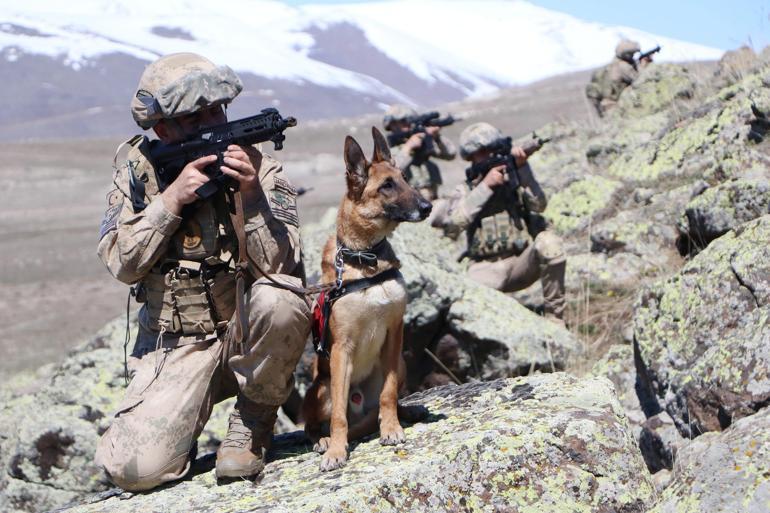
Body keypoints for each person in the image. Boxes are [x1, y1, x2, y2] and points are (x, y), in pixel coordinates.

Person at [95, 52, 311, 491]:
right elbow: (122, 264)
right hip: (175, 346)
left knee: (281, 297)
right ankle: (179, 424)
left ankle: (252, 424)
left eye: (218, 110)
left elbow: (281, 266)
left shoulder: (258, 167)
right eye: (197, 117)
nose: (214, 122)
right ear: (163, 129)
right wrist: (171, 201)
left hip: (246, 332)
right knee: (135, 470)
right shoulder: (138, 177)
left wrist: (251, 194)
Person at [431, 122, 566, 323]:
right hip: (483, 270)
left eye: (494, 150)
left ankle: (555, 319)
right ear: (471, 157)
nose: (490, 155)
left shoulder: (515, 177)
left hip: (520, 264)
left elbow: (539, 205)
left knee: (550, 243)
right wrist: (485, 187)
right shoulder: (465, 189)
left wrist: (523, 170)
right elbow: (452, 227)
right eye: (483, 152)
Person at [383, 104, 456, 200]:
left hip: (432, 201)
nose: (408, 125)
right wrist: (408, 147)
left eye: (410, 121)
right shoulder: (389, 153)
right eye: (404, 122)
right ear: (392, 125)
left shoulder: (422, 144)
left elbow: (450, 154)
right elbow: (389, 172)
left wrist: (437, 137)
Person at [586, 39, 646, 117]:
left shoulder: (611, 66)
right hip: (617, 106)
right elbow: (640, 80)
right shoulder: (623, 66)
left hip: (605, 106)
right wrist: (643, 66)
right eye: (632, 54)